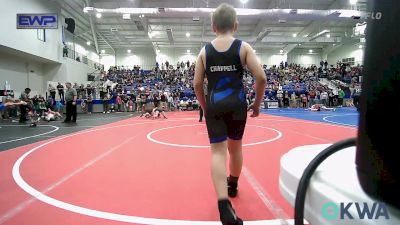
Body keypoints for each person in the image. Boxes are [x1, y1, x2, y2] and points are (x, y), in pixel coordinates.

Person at [193, 3, 266, 225]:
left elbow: (197, 83)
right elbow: (261, 78)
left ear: (213, 27)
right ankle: (232, 184)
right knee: (235, 149)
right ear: (235, 25)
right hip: (237, 105)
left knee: (217, 152)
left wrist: (206, 107)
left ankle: (224, 205)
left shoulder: (204, 51)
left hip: (214, 104)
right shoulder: (243, 47)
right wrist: (257, 104)